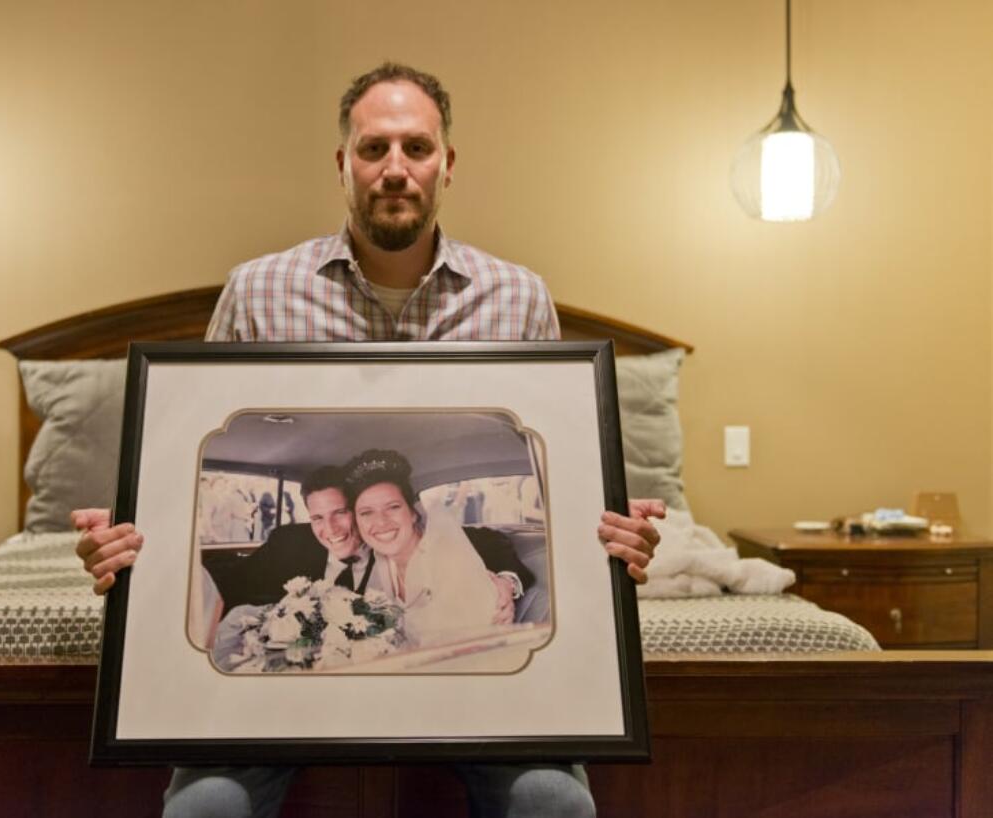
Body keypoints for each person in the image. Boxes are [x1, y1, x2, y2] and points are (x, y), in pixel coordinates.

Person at [74, 60, 664, 818]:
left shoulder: (518, 297)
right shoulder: (257, 291)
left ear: (447, 165)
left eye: (416, 149)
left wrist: (611, 538)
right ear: (342, 164)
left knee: (556, 805)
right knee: (204, 811)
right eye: (373, 149)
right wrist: (127, 544)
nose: (395, 169)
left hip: (484, 701)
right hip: (280, 709)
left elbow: (561, 488)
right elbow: (180, 473)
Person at [212, 465, 532, 621]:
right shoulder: (290, 542)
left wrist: (505, 580)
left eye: (341, 513)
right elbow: (230, 585)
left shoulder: (394, 544)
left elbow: (490, 540)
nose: (330, 529)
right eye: (317, 518)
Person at [342, 448, 499, 645]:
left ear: (413, 513)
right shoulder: (380, 565)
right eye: (366, 513)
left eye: (393, 507)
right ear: (357, 522)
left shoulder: (448, 559)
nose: (381, 522)